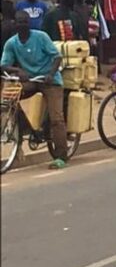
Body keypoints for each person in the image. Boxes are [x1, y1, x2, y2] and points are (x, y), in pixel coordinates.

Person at [1, 10, 68, 168]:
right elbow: (3, 65)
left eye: (25, 22)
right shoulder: (12, 43)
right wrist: (18, 71)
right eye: (19, 22)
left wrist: (51, 74)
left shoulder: (41, 37)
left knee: (56, 118)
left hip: (49, 81)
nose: (22, 25)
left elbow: (57, 57)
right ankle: (24, 130)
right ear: (15, 24)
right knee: (11, 98)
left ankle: (61, 156)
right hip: (31, 80)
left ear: (29, 23)